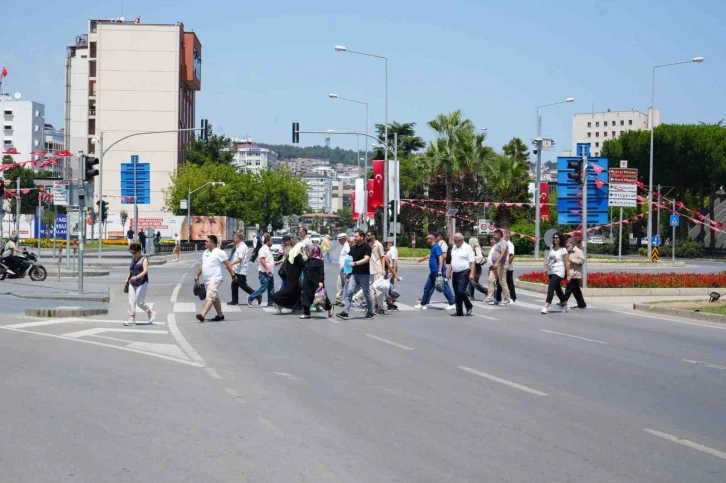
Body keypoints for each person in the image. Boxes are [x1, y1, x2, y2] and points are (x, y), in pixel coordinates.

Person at [194, 235, 237, 322]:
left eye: (207, 241)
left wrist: (233, 275)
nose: (205, 243)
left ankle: (203, 315)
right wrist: (197, 275)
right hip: (207, 279)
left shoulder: (219, 252)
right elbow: (203, 265)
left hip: (216, 278)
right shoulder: (206, 252)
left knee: (210, 296)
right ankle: (220, 315)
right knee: (214, 297)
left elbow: (227, 264)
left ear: (212, 243)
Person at [337, 230, 375, 320]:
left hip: (364, 274)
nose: (355, 238)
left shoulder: (366, 247)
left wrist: (355, 263)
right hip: (354, 274)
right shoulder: (353, 248)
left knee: (366, 293)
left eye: (356, 237)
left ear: (362, 237)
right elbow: (348, 258)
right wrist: (347, 271)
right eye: (354, 236)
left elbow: (366, 259)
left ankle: (370, 311)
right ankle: (345, 312)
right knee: (349, 291)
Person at [415, 233, 455, 310]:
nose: (426, 240)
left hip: (437, 271)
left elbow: (440, 258)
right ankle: (423, 303)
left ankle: (452, 302)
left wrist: (440, 270)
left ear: (431, 239)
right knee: (427, 287)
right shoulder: (433, 247)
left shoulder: (436, 247)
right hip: (433, 272)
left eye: (427, 239)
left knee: (444, 286)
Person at [366, 230, 400, 315]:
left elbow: (382, 258)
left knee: (379, 290)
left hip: (377, 269)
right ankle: (374, 305)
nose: (367, 237)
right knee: (371, 289)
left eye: (369, 235)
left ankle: (380, 307)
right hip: (371, 269)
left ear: (373, 235)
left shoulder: (378, 245)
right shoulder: (370, 244)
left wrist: (382, 269)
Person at [124, 242, 156, 326]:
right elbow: (131, 271)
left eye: (134, 252)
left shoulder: (144, 259)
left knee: (139, 302)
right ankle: (132, 318)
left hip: (142, 282)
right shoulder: (133, 259)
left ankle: (150, 312)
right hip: (132, 283)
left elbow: (145, 271)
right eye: (132, 252)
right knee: (131, 301)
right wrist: (127, 278)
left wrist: (137, 277)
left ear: (139, 251)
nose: (133, 254)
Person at [272, 237, 306, 313]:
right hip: (293, 275)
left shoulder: (293, 252)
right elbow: (302, 264)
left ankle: (296, 306)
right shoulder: (296, 254)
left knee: (296, 291)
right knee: (289, 290)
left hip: (292, 274)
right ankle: (276, 298)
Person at [300, 245, 333, 319]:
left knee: (321, 297)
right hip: (307, 281)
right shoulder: (308, 260)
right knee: (306, 296)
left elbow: (321, 272)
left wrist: (321, 281)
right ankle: (306, 313)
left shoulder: (319, 261)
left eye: (310, 250)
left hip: (316, 281)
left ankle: (329, 307)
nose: (308, 252)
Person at [541, 232, 570, 314]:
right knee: (558, 290)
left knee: (551, 287)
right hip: (551, 270)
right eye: (554, 237)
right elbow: (549, 259)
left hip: (559, 271)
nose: (555, 239)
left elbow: (567, 262)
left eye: (557, 238)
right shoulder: (552, 248)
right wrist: (546, 268)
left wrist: (568, 274)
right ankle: (566, 305)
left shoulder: (563, 249)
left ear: (560, 239)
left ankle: (546, 306)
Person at [448, 233, 476, 317]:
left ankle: (468, 305)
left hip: (464, 272)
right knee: (456, 292)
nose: (454, 241)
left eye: (455, 239)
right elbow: (452, 261)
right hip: (455, 272)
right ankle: (459, 311)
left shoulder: (467, 248)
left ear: (460, 240)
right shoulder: (454, 247)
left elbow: (472, 261)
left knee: (461, 291)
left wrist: (471, 273)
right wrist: (449, 271)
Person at [228, 232, 258, 306]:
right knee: (234, 285)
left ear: (238, 238)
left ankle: (256, 295)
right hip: (238, 269)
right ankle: (234, 300)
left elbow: (239, 259)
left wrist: (230, 264)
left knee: (243, 285)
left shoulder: (242, 247)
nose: (234, 239)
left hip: (241, 269)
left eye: (234, 238)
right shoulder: (239, 246)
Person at [248, 235, 275, 307]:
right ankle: (251, 297)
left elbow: (269, 261)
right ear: (268, 241)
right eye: (272, 241)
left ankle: (270, 302)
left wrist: (280, 261)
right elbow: (262, 259)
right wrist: (267, 268)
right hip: (264, 272)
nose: (272, 242)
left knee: (271, 288)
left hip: (270, 272)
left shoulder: (268, 249)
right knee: (264, 287)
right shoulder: (263, 249)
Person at [485, 229, 510, 305]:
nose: (493, 236)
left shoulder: (503, 242)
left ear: (499, 235)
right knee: (491, 279)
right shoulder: (498, 243)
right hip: (495, 265)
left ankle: (507, 299)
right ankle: (490, 297)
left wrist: (497, 262)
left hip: (501, 264)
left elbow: (502, 253)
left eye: (495, 235)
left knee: (502, 281)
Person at [563, 237, 587, 309]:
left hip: (575, 273)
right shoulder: (569, 251)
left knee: (569, 288)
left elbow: (582, 260)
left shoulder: (578, 251)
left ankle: (563, 301)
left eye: (568, 243)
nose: (566, 245)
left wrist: (571, 259)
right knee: (576, 290)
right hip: (570, 272)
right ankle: (581, 303)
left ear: (572, 244)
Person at [495, 230, 517, 304]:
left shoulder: (509, 244)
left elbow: (512, 255)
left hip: (508, 267)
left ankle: (512, 298)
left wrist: (507, 265)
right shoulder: (501, 243)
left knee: (507, 282)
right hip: (504, 265)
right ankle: (498, 298)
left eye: (506, 235)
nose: (505, 236)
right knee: (501, 282)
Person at [335, 233, 350, 306]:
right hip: (342, 269)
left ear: (344, 239)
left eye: (340, 240)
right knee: (339, 284)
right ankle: (338, 299)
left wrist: (345, 266)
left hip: (346, 268)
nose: (339, 241)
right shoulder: (344, 246)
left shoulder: (347, 246)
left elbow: (349, 256)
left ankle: (345, 300)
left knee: (347, 285)